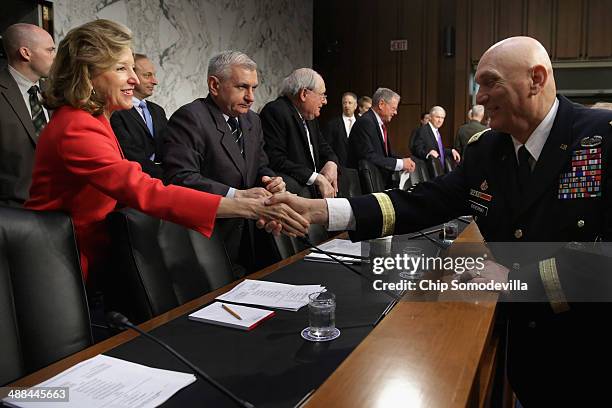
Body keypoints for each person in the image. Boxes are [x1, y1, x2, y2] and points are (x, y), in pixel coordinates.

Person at [266, 36, 612, 405]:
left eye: (490, 82)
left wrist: (516, 282)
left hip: (590, 359)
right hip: (526, 360)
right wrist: (320, 210)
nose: (478, 97)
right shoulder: (486, 150)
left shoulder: (602, 138)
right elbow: (422, 202)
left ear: (536, 79)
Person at [24, 20, 307, 286]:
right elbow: (146, 191)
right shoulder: (76, 126)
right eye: (122, 68)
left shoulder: (94, 118)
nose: (135, 79)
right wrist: (246, 206)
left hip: (89, 257)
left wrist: (246, 196)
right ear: (88, 73)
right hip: (61, 265)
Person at [162, 50, 285, 275]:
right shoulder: (190, 118)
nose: (251, 97)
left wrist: (270, 181)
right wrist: (235, 195)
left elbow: (259, 165)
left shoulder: (253, 120)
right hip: (211, 244)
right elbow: (180, 179)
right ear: (214, 85)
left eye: (254, 88)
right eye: (242, 87)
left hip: (255, 239)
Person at [260, 68, 339, 198]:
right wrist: (316, 178)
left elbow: (324, 147)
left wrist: (332, 163)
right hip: (294, 193)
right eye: (322, 95)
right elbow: (275, 159)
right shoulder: (276, 111)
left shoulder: (309, 116)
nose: (325, 101)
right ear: (304, 94)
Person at [0, 23, 55, 206]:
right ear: (26, 53)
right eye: (50, 50)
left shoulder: (57, 92)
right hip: (12, 211)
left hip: (58, 206)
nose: (55, 58)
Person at [110, 53, 168, 178]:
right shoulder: (115, 111)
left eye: (154, 75)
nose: (155, 81)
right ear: (132, 76)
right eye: (147, 75)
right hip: (137, 184)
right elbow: (129, 155)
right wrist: (166, 177)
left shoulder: (158, 111)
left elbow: (171, 146)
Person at [347, 87, 415, 189]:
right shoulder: (366, 122)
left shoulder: (377, 123)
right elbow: (368, 157)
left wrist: (404, 161)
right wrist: (400, 163)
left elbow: (386, 154)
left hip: (380, 183)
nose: (395, 112)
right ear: (381, 104)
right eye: (393, 108)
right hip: (365, 188)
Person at [412, 105, 461, 171]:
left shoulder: (436, 131)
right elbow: (416, 149)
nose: (440, 120)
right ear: (430, 117)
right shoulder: (422, 130)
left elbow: (438, 150)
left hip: (439, 170)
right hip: (428, 171)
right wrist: (428, 154)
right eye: (437, 117)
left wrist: (451, 151)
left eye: (442, 118)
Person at [324, 92, 358, 166]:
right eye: (344, 103)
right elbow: (328, 147)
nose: (347, 105)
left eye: (350, 103)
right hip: (339, 167)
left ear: (355, 106)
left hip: (357, 168)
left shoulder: (361, 124)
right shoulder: (332, 124)